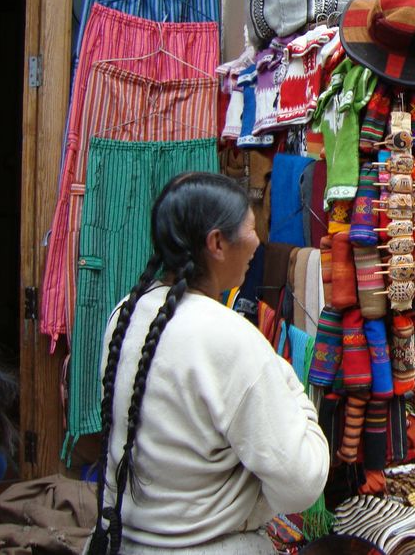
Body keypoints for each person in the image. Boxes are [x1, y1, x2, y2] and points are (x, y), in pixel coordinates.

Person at [86, 172, 330, 555]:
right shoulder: (230, 339)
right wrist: (291, 388)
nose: (258, 242)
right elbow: (301, 484)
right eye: (251, 228)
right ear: (217, 242)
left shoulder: (127, 314)